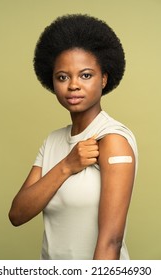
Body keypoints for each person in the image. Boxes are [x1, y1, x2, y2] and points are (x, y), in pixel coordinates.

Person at [9, 14, 138, 260]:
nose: (73, 85)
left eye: (86, 75)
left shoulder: (112, 140)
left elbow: (112, 240)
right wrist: (67, 165)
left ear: (104, 78)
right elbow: (18, 214)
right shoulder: (53, 141)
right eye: (63, 77)